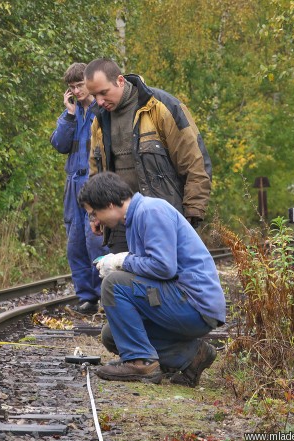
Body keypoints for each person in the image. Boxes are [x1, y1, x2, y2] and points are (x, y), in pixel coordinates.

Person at [77, 172, 225, 386]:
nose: (95, 220)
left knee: (113, 283)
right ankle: (192, 356)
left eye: (94, 213)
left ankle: (142, 363)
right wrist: (122, 262)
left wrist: (122, 261)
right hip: (180, 300)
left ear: (109, 204)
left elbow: (164, 267)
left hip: (194, 304)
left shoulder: (151, 210)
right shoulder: (135, 218)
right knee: (112, 335)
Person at [83, 58, 213, 254]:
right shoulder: (99, 121)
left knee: (165, 279)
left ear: (119, 80)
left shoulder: (161, 107)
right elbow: (96, 174)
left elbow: (196, 164)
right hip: (120, 224)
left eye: (103, 92)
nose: (99, 101)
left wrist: (192, 215)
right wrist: (95, 213)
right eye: (94, 95)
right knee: (120, 280)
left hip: (164, 218)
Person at [50, 62, 109, 315]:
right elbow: (59, 144)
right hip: (72, 183)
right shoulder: (72, 115)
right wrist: (69, 115)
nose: (76, 90)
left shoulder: (101, 110)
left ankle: (108, 294)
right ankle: (87, 297)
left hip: (94, 182)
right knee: (74, 243)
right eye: (72, 87)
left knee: (96, 240)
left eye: (80, 85)